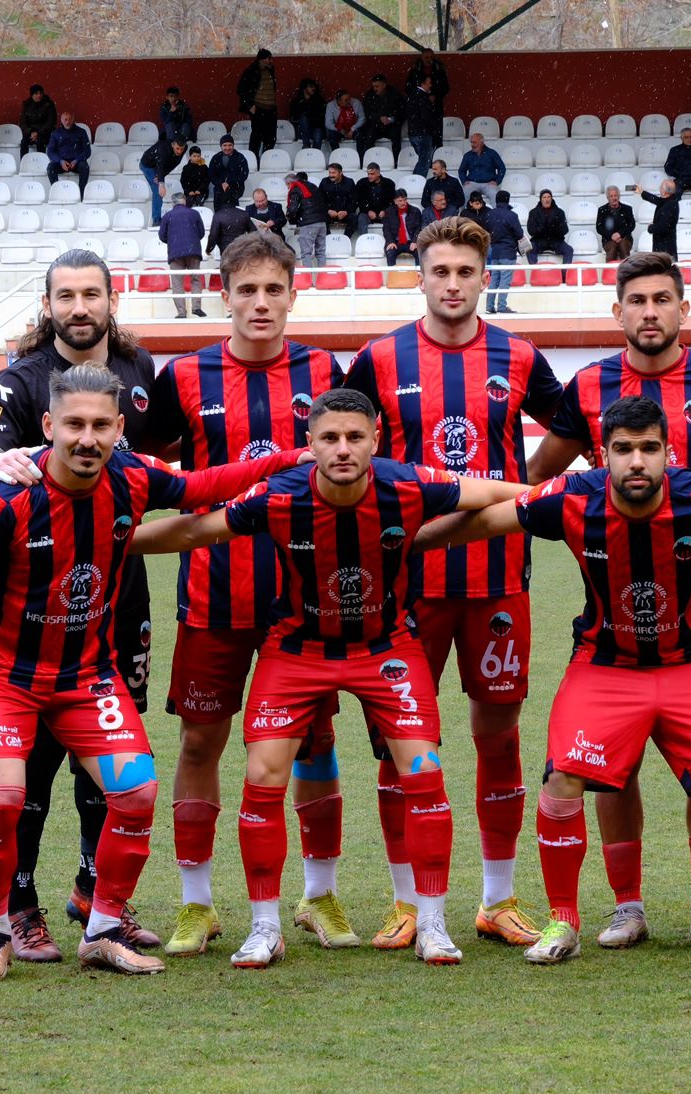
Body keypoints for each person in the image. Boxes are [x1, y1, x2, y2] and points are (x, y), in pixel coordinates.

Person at [131, 389, 530, 968]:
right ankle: (265, 927)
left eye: (354, 437)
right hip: (297, 649)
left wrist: (567, 498)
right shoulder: (278, 495)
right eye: (329, 438)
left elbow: (492, 495)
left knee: (423, 769)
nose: (342, 449)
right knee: (264, 773)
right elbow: (195, 532)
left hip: (385, 648)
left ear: (374, 439)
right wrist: (110, 545)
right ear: (310, 444)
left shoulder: (409, 484)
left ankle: (434, 923)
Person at [0, 362, 310, 982]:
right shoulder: (5, 499)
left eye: (99, 425)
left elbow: (203, 486)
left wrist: (288, 459)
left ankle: (102, 929)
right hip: (7, 680)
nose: (86, 438)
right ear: (47, 425)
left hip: (89, 679)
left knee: (136, 791)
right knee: (3, 796)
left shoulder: (131, 476)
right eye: (73, 425)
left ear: (119, 427)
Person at [418, 393, 691, 964]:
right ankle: (566, 920)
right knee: (563, 779)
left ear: (668, 452)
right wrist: (396, 543)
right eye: (622, 450)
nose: (636, 461)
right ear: (601, 455)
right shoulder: (570, 499)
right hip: (605, 667)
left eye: (648, 449)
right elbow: (486, 521)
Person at [523, 251, 691, 948]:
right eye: (636, 301)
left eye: (661, 300)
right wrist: (602, 499)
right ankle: (626, 905)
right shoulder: (586, 387)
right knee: (613, 762)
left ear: (681, 309)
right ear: (618, 311)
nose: (649, 313)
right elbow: (539, 472)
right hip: (614, 583)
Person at [339, 215, 564, 950]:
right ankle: (408, 900)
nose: (454, 284)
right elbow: (344, 442)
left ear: (485, 276)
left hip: (497, 579)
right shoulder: (379, 359)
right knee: (400, 742)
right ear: (421, 275)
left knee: (497, 735)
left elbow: (567, 428)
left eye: (467, 272)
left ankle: (497, 899)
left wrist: (518, 490)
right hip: (405, 583)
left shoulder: (519, 356)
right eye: (440, 271)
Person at [135, 232, 349, 959]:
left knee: (315, 741)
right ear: (223, 294)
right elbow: (150, 468)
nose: (260, 303)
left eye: (274, 289)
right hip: (213, 593)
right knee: (200, 740)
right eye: (246, 289)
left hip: (306, 598)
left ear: (294, 293)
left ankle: (318, 895)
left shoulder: (324, 369)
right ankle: (197, 906)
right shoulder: (185, 376)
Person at [0, 250, 167, 964]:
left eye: (92, 295)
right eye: (65, 296)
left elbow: (157, 479)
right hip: (33, 616)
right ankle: (18, 907)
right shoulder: (20, 382)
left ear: (114, 299)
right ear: (47, 305)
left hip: (119, 602)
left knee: (107, 767)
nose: (80, 308)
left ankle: (93, 895)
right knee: (32, 766)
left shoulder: (140, 378)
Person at [160, 191, 207, 319]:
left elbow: (162, 236)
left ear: (173, 202)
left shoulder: (167, 216)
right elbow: (201, 233)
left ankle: (181, 312)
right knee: (196, 279)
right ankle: (196, 307)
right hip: (193, 251)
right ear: (184, 200)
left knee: (177, 283)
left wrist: (173, 241)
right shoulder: (194, 213)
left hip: (175, 253)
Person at [483, 190, 523, 313]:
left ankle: (489, 306)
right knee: (505, 279)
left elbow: (486, 230)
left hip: (494, 251)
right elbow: (519, 234)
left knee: (494, 278)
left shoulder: (490, 214)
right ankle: (501, 306)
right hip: (508, 251)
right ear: (508, 200)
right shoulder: (512, 215)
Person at [237, 50, 280, 157]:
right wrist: (250, 105)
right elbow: (241, 89)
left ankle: (266, 158)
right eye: (268, 58)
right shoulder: (251, 71)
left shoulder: (270, 70)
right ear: (261, 59)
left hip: (271, 108)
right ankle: (254, 159)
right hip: (258, 108)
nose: (271, 60)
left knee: (271, 137)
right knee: (257, 136)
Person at [405, 47, 452, 145]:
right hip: (419, 110)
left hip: (436, 108)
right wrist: (424, 97)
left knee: (437, 137)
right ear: (421, 57)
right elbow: (408, 89)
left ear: (433, 57)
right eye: (426, 57)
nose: (428, 59)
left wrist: (436, 96)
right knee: (423, 142)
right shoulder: (415, 71)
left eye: (430, 57)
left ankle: (437, 157)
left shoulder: (439, 70)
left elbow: (446, 88)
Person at [140, 133, 183, 226]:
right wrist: (161, 183)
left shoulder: (183, 148)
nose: (179, 151)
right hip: (147, 165)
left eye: (181, 149)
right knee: (157, 190)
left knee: (159, 183)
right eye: (177, 149)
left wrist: (162, 174)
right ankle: (156, 220)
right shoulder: (164, 150)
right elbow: (160, 165)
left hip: (159, 164)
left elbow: (175, 162)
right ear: (172, 145)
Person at [358, 74, 405, 155]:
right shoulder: (370, 95)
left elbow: (401, 111)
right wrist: (379, 118)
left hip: (391, 125)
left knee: (396, 137)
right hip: (375, 125)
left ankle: (396, 160)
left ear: (384, 85)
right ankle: (368, 159)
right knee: (368, 138)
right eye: (373, 86)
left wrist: (391, 119)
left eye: (377, 86)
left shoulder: (394, 94)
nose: (375, 89)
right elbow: (367, 112)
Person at [637, 179, 682, 259]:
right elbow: (656, 200)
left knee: (665, 270)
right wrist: (642, 192)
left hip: (665, 249)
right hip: (663, 247)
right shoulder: (670, 200)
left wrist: (651, 227)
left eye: (660, 187)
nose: (659, 189)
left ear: (665, 192)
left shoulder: (669, 206)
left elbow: (663, 228)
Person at [405, 74, 439, 176]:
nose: (431, 85)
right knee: (425, 161)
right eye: (429, 83)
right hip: (423, 133)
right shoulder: (423, 97)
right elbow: (426, 116)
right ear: (423, 83)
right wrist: (434, 128)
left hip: (413, 133)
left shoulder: (411, 95)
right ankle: (418, 182)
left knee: (422, 159)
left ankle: (414, 180)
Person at [525, 189, 571, 264]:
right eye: (544, 197)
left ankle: (564, 275)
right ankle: (535, 272)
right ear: (540, 199)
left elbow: (565, 230)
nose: (547, 199)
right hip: (539, 240)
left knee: (569, 250)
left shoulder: (560, 212)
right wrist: (542, 228)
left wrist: (554, 227)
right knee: (528, 249)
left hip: (555, 240)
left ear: (551, 198)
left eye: (549, 197)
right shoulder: (533, 212)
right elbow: (531, 230)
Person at [45, 111, 90, 189]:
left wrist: (76, 160)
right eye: (65, 119)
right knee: (50, 168)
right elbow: (50, 151)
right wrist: (61, 161)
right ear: (61, 120)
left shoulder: (81, 132)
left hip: (77, 162)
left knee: (85, 167)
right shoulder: (55, 133)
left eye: (70, 119)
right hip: (61, 162)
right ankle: (57, 191)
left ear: (73, 120)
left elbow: (87, 150)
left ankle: (81, 193)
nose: (67, 122)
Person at [382, 189, 424, 266]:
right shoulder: (389, 212)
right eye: (400, 201)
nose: (403, 203)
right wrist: (390, 241)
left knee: (420, 252)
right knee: (390, 252)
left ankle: (419, 276)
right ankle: (393, 276)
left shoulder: (415, 211)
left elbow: (419, 228)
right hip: (395, 242)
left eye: (405, 200)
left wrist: (415, 241)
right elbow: (386, 229)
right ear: (395, 201)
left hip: (411, 241)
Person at [664, 128, 691, 203]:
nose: (689, 139)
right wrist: (678, 174)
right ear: (681, 138)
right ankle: (678, 211)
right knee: (675, 190)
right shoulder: (674, 150)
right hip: (681, 178)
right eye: (686, 137)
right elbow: (668, 167)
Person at [316, 162, 358, 240]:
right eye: (330, 172)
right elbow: (319, 201)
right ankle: (328, 239)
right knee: (319, 218)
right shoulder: (324, 182)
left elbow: (354, 201)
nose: (331, 175)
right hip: (329, 213)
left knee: (354, 218)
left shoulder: (349, 182)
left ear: (340, 173)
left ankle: (346, 239)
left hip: (345, 213)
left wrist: (346, 212)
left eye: (334, 173)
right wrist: (328, 211)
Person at [355, 161, 397, 237]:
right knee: (361, 218)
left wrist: (385, 210)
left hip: (384, 213)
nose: (369, 176)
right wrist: (368, 211)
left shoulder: (389, 184)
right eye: (368, 174)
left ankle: (390, 241)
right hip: (367, 213)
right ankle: (364, 241)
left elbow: (392, 201)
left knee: (393, 216)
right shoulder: (361, 183)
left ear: (378, 173)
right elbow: (359, 201)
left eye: (372, 174)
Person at [207, 134, 249, 211]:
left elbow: (244, 174)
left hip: (235, 188)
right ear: (221, 146)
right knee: (219, 213)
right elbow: (211, 174)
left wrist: (229, 182)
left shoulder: (240, 157)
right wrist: (221, 183)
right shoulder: (216, 158)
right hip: (219, 189)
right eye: (225, 145)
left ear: (233, 145)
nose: (227, 148)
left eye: (230, 145)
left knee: (234, 213)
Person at [459, 132, 505, 199]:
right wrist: (464, 181)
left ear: (482, 143)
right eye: (471, 142)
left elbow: (502, 168)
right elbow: (461, 170)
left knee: (495, 195)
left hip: (489, 183)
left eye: (474, 142)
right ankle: (465, 210)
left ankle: (497, 210)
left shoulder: (492, 153)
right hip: (472, 183)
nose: (472, 145)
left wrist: (497, 181)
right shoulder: (467, 155)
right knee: (464, 193)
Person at [597, 185, 636, 262]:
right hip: (608, 239)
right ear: (608, 198)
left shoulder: (627, 209)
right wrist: (611, 236)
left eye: (616, 195)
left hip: (625, 238)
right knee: (612, 249)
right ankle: (609, 272)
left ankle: (626, 272)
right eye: (611, 196)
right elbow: (599, 228)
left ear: (619, 196)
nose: (614, 198)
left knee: (623, 246)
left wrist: (620, 234)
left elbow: (631, 225)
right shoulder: (602, 210)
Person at [289, 77, 327, 148]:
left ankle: (315, 154)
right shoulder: (296, 102)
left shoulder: (319, 100)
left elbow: (321, 117)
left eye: (314, 86)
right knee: (303, 118)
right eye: (310, 87)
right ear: (304, 88)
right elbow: (293, 117)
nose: (313, 89)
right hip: (301, 131)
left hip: (316, 127)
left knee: (318, 134)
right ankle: (306, 145)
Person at [19, 84, 57, 154]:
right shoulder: (26, 104)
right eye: (36, 93)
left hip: (45, 132)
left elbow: (51, 121)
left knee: (40, 141)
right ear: (32, 95)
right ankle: (23, 162)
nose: (39, 95)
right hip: (30, 132)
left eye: (41, 93)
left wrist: (39, 132)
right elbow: (22, 122)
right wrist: (30, 132)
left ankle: (41, 162)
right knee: (24, 143)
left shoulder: (48, 104)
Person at [178, 145, 210, 211]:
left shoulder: (204, 167)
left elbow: (207, 180)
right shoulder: (186, 168)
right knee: (188, 202)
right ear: (190, 157)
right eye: (194, 156)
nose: (196, 158)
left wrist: (200, 190)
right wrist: (189, 191)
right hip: (189, 192)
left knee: (200, 201)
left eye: (198, 156)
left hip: (202, 192)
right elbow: (183, 181)